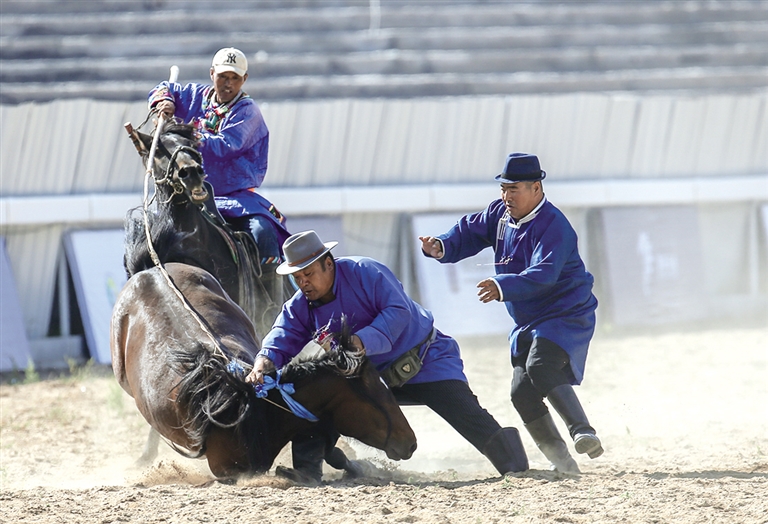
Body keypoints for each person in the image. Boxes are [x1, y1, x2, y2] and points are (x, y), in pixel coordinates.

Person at [245, 230, 528, 484]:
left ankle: (517, 465)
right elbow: (282, 335)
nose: (303, 283)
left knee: (465, 412)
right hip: (368, 378)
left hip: (425, 358)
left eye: (308, 274)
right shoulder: (300, 306)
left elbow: (398, 311)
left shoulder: (366, 272)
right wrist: (263, 363)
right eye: (297, 278)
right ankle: (307, 472)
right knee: (319, 398)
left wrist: (361, 340)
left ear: (328, 264)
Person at [419, 152, 603, 474]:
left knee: (541, 366)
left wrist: (501, 286)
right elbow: (468, 232)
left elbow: (543, 274)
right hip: (529, 321)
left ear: (536, 187)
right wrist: (442, 245)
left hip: (565, 313)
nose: (506, 196)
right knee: (520, 393)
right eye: (503, 188)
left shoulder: (555, 226)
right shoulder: (498, 214)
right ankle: (562, 462)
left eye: (514, 188)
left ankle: (583, 431)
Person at [147, 47, 289, 302]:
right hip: (193, 192)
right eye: (223, 76)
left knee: (263, 232)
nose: (228, 84)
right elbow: (164, 87)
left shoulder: (248, 112)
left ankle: (272, 301)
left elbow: (225, 145)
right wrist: (163, 103)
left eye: (235, 78)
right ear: (212, 74)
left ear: (244, 80)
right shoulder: (195, 95)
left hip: (236, 197)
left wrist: (183, 133)